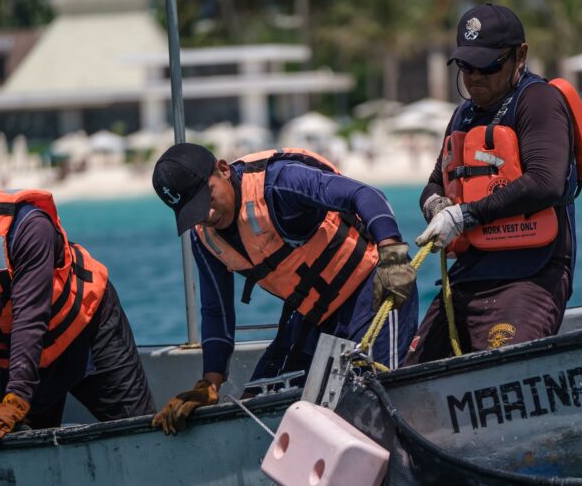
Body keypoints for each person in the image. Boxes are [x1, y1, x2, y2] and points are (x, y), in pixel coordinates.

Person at [150, 143, 418, 434]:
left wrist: (392, 254)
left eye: (207, 199)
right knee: (253, 408)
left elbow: (364, 194)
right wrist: (209, 384)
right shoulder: (205, 239)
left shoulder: (279, 183)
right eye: (194, 211)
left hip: (374, 289)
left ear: (223, 170)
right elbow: (216, 311)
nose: (208, 214)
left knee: (371, 402)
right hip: (312, 315)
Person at [0, 182, 155, 456]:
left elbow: (29, 320)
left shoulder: (28, 228)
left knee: (140, 433)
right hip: (11, 355)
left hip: (87, 333)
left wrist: (15, 401)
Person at [407, 3, 582, 364]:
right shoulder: (464, 113)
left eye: (488, 65)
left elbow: (547, 182)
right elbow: (434, 183)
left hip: (529, 277)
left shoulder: (537, 100)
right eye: (465, 66)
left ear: (520, 55)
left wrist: (466, 216)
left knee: (498, 367)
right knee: (407, 373)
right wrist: (436, 207)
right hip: (467, 279)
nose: (474, 77)